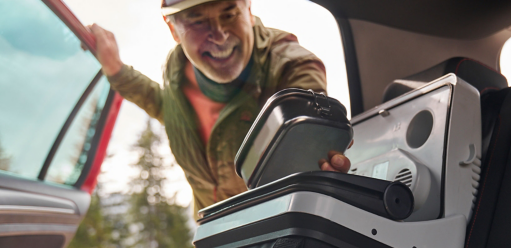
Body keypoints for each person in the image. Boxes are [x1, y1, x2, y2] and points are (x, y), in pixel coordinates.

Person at [89, 0, 351, 216]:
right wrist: (117, 70)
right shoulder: (176, 66)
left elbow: (306, 138)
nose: (220, 34)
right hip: (208, 240)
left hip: (271, 244)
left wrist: (317, 150)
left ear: (248, 9)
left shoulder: (291, 67)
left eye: (229, 13)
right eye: (197, 20)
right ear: (173, 29)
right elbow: (167, 108)